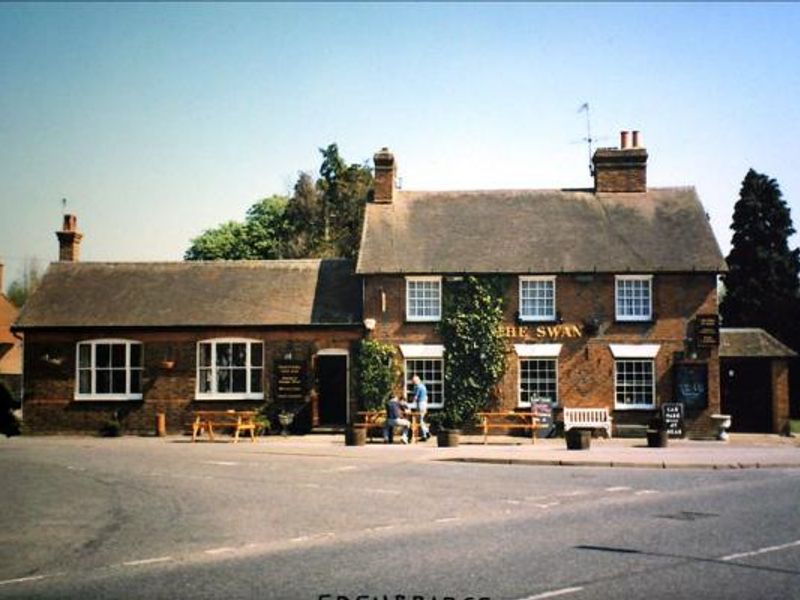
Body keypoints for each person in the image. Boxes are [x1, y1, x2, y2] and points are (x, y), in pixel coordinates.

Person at [412, 374, 431, 441]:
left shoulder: (418, 387)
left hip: (420, 404)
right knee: (423, 419)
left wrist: (411, 403)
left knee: (420, 420)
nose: (413, 382)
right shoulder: (423, 386)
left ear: (417, 380)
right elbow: (426, 397)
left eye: (414, 381)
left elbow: (416, 397)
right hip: (424, 403)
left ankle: (425, 435)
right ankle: (426, 432)